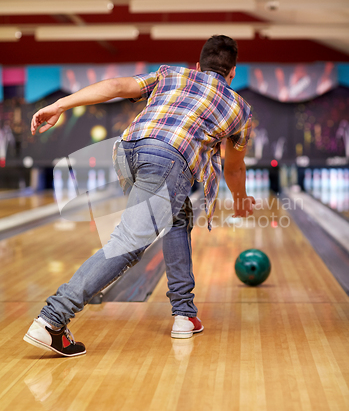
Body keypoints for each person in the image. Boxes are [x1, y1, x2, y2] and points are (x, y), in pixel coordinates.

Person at [24, 35, 255, 357]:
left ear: (198, 66)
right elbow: (233, 168)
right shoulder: (240, 109)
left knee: (178, 218)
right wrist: (242, 199)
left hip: (128, 151)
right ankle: (52, 320)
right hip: (168, 160)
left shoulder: (171, 74)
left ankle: (184, 314)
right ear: (232, 74)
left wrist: (61, 103)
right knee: (129, 244)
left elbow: (117, 86)